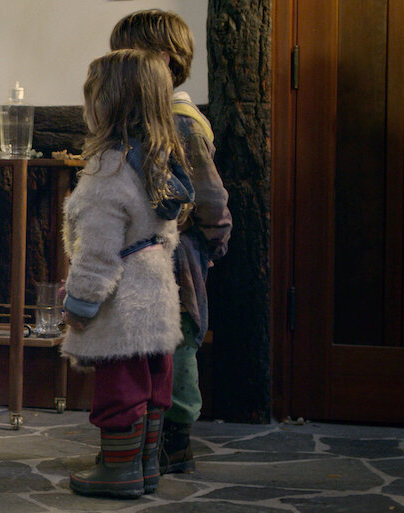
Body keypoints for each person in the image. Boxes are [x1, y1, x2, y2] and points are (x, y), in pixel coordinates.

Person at [61, 49, 194, 498]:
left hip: (122, 299)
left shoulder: (109, 171)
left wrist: (81, 304)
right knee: (154, 380)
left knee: (121, 385)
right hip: (157, 290)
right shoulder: (158, 163)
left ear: (109, 103)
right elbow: (167, 234)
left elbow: (97, 252)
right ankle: (145, 464)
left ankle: (120, 471)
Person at [110, 9, 233, 474]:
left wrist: (211, 244)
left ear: (162, 60)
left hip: (177, 255)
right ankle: (146, 434)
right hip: (147, 252)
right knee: (151, 342)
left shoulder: (180, 122)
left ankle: (176, 438)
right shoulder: (146, 119)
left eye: (128, 57)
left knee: (177, 340)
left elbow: (210, 198)